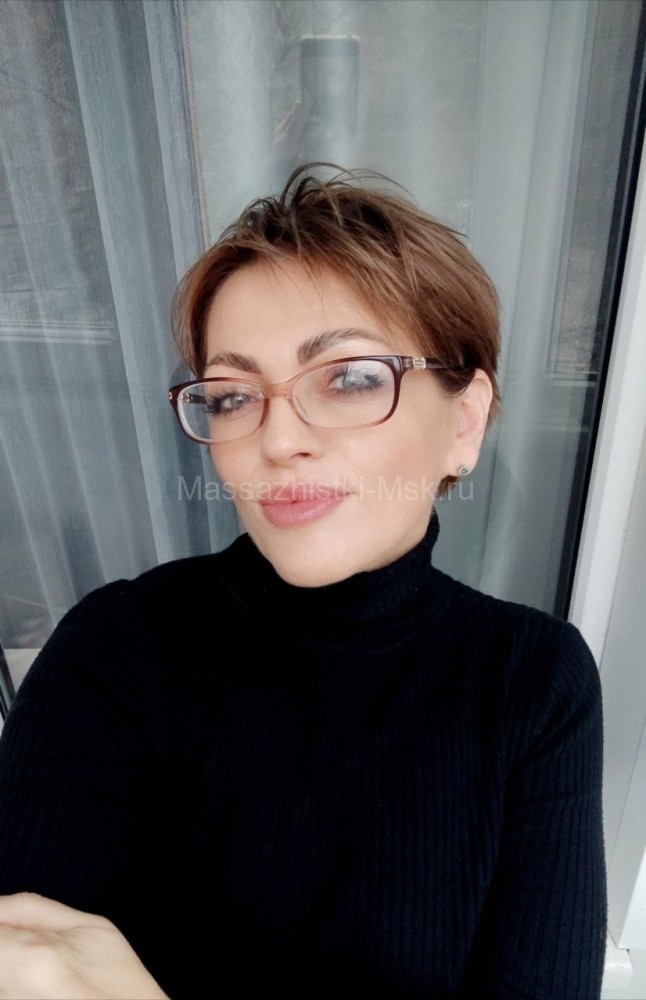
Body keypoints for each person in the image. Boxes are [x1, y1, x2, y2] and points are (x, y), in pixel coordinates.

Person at [0, 164, 607, 999]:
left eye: (350, 378)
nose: (277, 439)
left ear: (464, 422)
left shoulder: (532, 680)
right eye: (232, 395)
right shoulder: (118, 650)